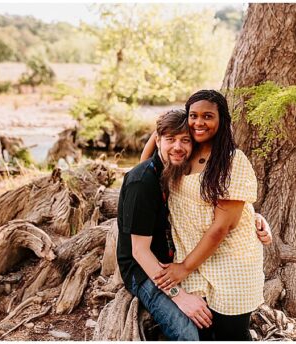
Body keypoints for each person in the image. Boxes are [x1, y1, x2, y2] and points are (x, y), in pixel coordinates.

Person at [117, 109, 271, 341]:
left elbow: (205, 205)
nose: (178, 147)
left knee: (214, 323)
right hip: (143, 269)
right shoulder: (141, 183)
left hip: (175, 260)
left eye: (185, 140)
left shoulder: (178, 165)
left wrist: (251, 216)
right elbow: (139, 251)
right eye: (170, 139)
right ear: (158, 139)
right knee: (188, 333)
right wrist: (179, 296)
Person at [151, 90, 265, 341]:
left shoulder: (232, 161)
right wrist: (160, 131)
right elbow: (147, 164)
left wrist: (182, 269)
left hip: (231, 264)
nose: (198, 122)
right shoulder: (183, 152)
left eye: (207, 116)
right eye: (193, 116)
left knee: (231, 335)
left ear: (221, 120)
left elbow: (221, 228)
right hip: (194, 260)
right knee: (205, 334)